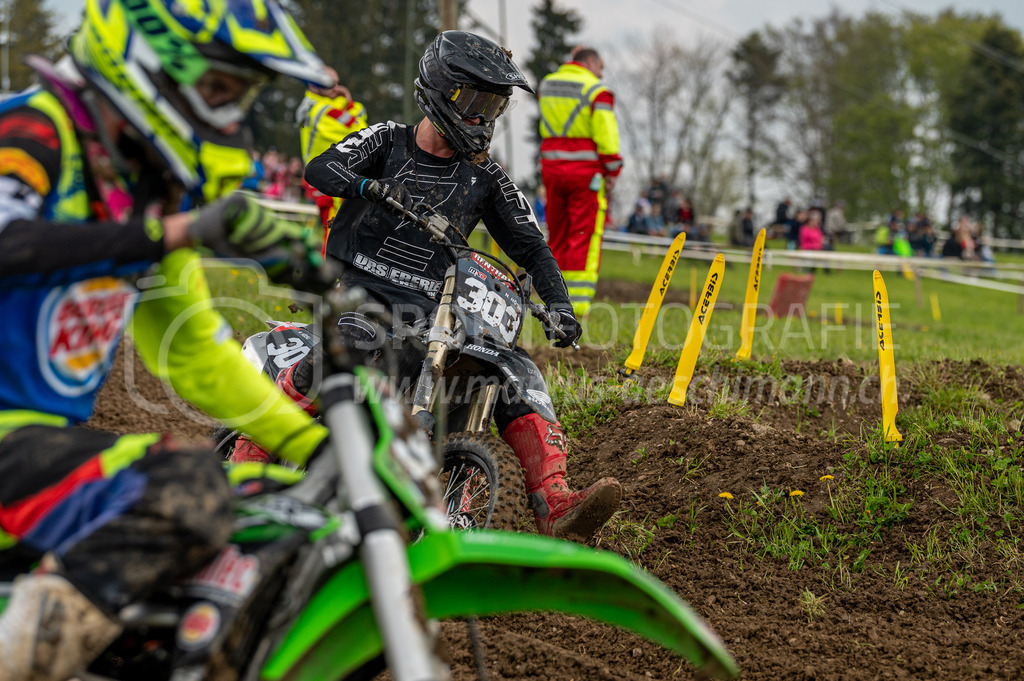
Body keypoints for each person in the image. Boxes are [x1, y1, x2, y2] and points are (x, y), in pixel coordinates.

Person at [0, 0, 332, 678]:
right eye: (219, 90)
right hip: (15, 448)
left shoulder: (139, 190)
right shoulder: (33, 129)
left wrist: (318, 448)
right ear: (148, 60)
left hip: (31, 453)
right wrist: (172, 235)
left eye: (240, 96)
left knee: (260, 502)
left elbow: (194, 352)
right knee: (186, 484)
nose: (231, 117)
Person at [302, 30, 622, 540]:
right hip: (362, 297)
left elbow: (532, 247)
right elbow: (321, 168)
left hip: (434, 315)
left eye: (494, 104)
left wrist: (559, 304)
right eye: (475, 101)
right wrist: (367, 185)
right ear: (440, 90)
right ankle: (252, 454)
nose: (483, 116)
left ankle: (554, 500)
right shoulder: (386, 139)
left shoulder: (486, 177)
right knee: (344, 350)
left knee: (517, 371)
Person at [538, 45, 623, 317]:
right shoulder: (597, 92)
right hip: (586, 176)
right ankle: (577, 305)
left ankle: (552, 297)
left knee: (557, 235)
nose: (602, 73)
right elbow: (607, 138)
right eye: (601, 67)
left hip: (552, 172)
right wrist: (612, 172)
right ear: (591, 62)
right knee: (583, 236)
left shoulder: (547, 85)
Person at [296, 66, 368, 229]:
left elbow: (359, 117)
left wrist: (348, 104)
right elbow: (360, 132)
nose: (337, 88)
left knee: (334, 229)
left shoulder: (319, 105)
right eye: (329, 84)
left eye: (337, 83)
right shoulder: (323, 110)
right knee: (334, 231)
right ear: (313, 85)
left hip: (328, 175)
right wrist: (349, 104)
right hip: (327, 178)